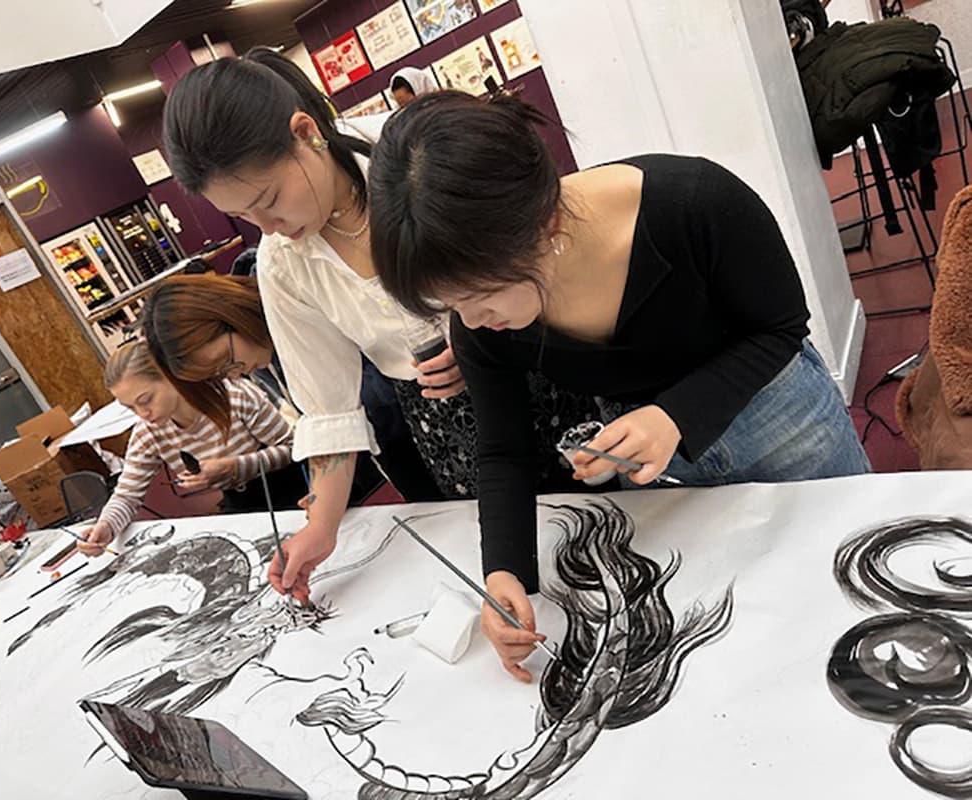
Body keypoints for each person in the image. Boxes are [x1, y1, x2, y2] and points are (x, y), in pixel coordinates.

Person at [367, 90, 872, 681]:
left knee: (858, 586)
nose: (471, 323)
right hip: (656, 468)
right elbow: (504, 449)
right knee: (756, 646)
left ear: (547, 225)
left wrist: (675, 415)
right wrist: (504, 571)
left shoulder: (695, 203)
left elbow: (780, 327)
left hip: (783, 422)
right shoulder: (482, 325)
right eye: (451, 305)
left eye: (481, 297)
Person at [161, 52, 598, 604]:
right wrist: (321, 528)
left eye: (268, 200)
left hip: (538, 361)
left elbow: (535, 239)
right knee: (523, 574)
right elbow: (329, 411)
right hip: (449, 423)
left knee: (609, 522)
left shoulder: (412, 151)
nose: (268, 227)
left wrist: (477, 341)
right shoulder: (283, 264)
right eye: (245, 216)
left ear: (306, 133)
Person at [77, 338, 293, 557]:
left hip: (288, 492)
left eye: (146, 400)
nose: (143, 414)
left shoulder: (234, 396)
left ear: (171, 377)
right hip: (240, 506)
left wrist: (236, 467)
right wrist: (105, 526)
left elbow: (292, 448)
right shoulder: (149, 432)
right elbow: (127, 495)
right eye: (131, 408)